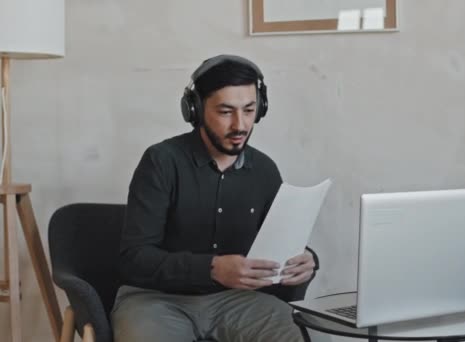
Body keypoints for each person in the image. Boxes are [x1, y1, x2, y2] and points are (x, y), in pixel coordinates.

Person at [111, 55, 318, 342]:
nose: (240, 125)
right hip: (155, 301)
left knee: (310, 337)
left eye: (249, 110)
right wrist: (212, 269)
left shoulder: (265, 170)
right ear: (195, 110)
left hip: (238, 301)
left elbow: (278, 242)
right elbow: (134, 259)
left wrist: (305, 260)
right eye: (225, 112)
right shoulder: (160, 162)